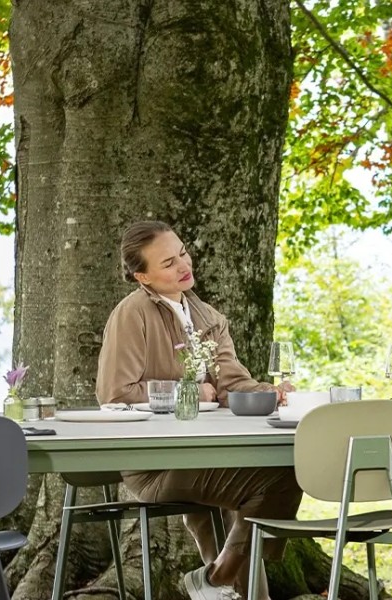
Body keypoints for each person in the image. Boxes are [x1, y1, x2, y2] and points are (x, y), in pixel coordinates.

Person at [97, 220, 301, 600]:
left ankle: (220, 584)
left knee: (282, 471)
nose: (183, 265)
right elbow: (115, 393)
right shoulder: (131, 314)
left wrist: (271, 392)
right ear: (142, 276)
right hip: (156, 461)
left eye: (183, 253)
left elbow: (232, 384)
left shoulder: (206, 316)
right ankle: (219, 579)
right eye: (168, 263)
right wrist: (190, 392)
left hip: (208, 450)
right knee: (279, 478)